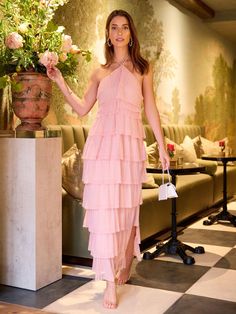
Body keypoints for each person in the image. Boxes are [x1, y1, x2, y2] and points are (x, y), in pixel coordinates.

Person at [46, 9, 170, 310]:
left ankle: (125, 261)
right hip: (102, 148)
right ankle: (109, 283)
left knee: (127, 213)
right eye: (114, 27)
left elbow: (150, 109)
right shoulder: (99, 72)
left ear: (131, 33)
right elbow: (82, 108)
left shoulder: (143, 69)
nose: (119, 32)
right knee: (105, 214)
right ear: (108, 33)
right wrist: (60, 81)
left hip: (130, 149)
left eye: (124, 27)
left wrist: (163, 146)